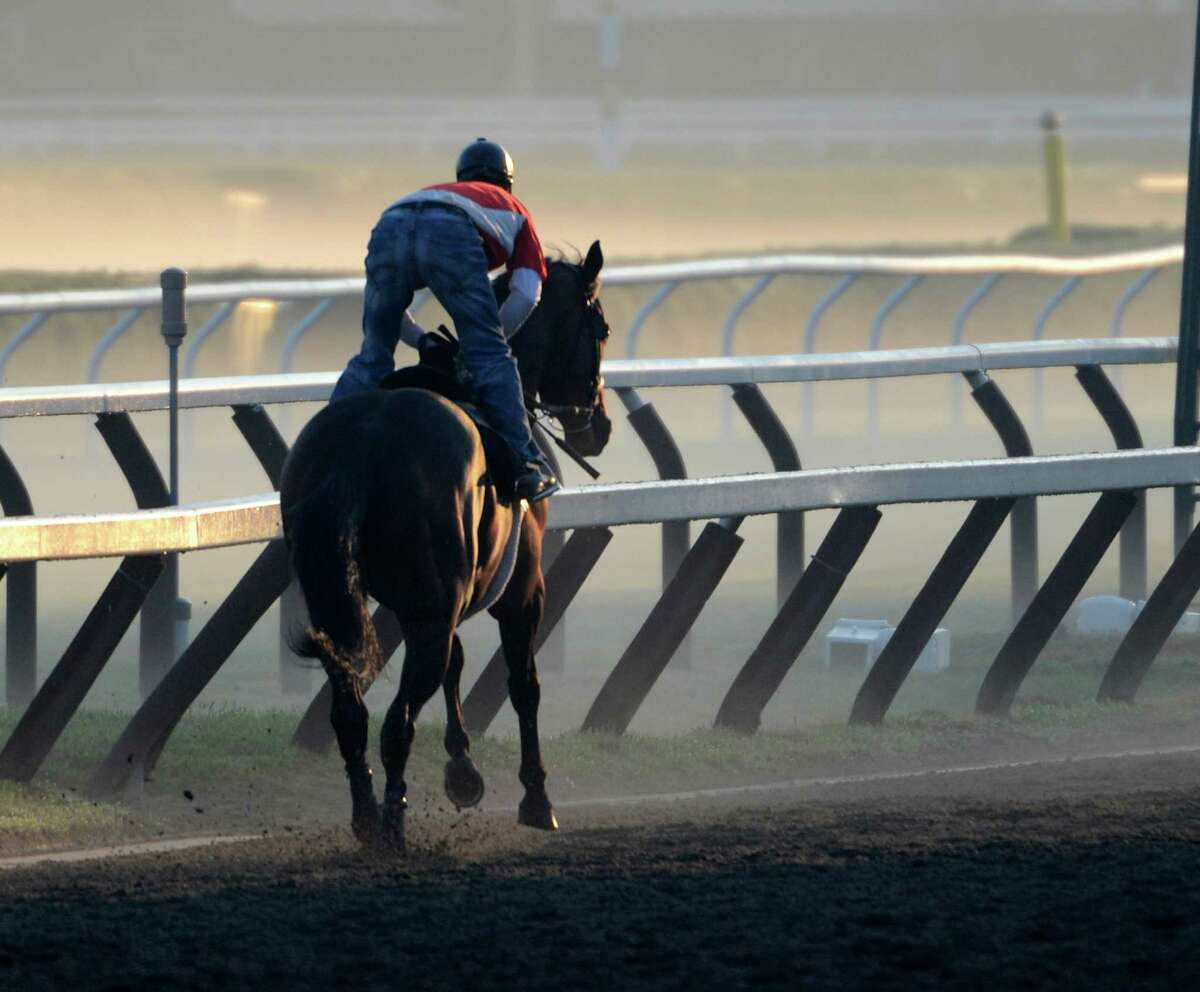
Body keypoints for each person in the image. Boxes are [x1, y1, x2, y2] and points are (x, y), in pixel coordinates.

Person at [331, 137, 560, 502]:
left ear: (461, 176)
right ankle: (524, 465)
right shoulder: (513, 208)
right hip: (450, 231)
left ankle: (325, 441)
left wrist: (422, 340)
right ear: (506, 182)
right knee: (492, 358)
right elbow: (526, 294)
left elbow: (389, 314)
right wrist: (477, 346)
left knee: (372, 357)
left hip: (390, 221)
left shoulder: (434, 194)